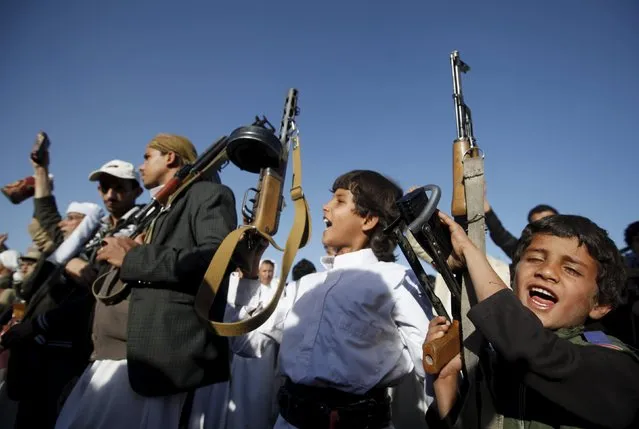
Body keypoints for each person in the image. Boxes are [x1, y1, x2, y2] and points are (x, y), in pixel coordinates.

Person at [55, 133, 237, 429]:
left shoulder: (206, 194)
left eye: (147, 156)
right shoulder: (160, 209)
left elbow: (217, 259)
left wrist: (132, 259)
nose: (141, 166)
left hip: (153, 355)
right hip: (118, 356)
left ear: (170, 157)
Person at [227, 169, 433, 429]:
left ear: (368, 219)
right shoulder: (304, 285)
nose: (325, 207)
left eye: (339, 200)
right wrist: (248, 271)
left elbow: (433, 367)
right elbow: (245, 344)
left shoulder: (396, 279)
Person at [425, 213, 639, 429]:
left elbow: (534, 352)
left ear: (600, 304)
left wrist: (471, 255)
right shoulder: (491, 361)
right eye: (535, 258)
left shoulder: (618, 366)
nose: (546, 272)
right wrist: (447, 382)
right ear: (513, 276)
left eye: (571, 269)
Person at [484, 196, 558, 259]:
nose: (543, 227)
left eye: (548, 221)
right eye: (537, 225)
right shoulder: (523, 252)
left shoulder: (569, 248)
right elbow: (500, 234)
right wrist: (485, 206)